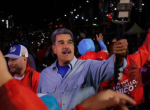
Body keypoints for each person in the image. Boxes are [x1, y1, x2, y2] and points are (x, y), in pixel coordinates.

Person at [0, 50, 136, 110]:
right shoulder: (46, 74)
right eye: (8, 59)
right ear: (54, 49)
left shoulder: (87, 65)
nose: (10, 62)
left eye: (14, 59)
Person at [38, 28, 128, 110]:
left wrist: (120, 55)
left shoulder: (88, 67)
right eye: (61, 43)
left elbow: (111, 66)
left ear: (73, 46)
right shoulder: (45, 75)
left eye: (69, 42)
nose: (66, 46)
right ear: (54, 49)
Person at [98, 29, 150, 109]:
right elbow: (102, 96)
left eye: (119, 43)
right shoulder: (105, 68)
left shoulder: (134, 59)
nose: (117, 47)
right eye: (114, 44)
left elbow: (147, 46)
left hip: (137, 107)